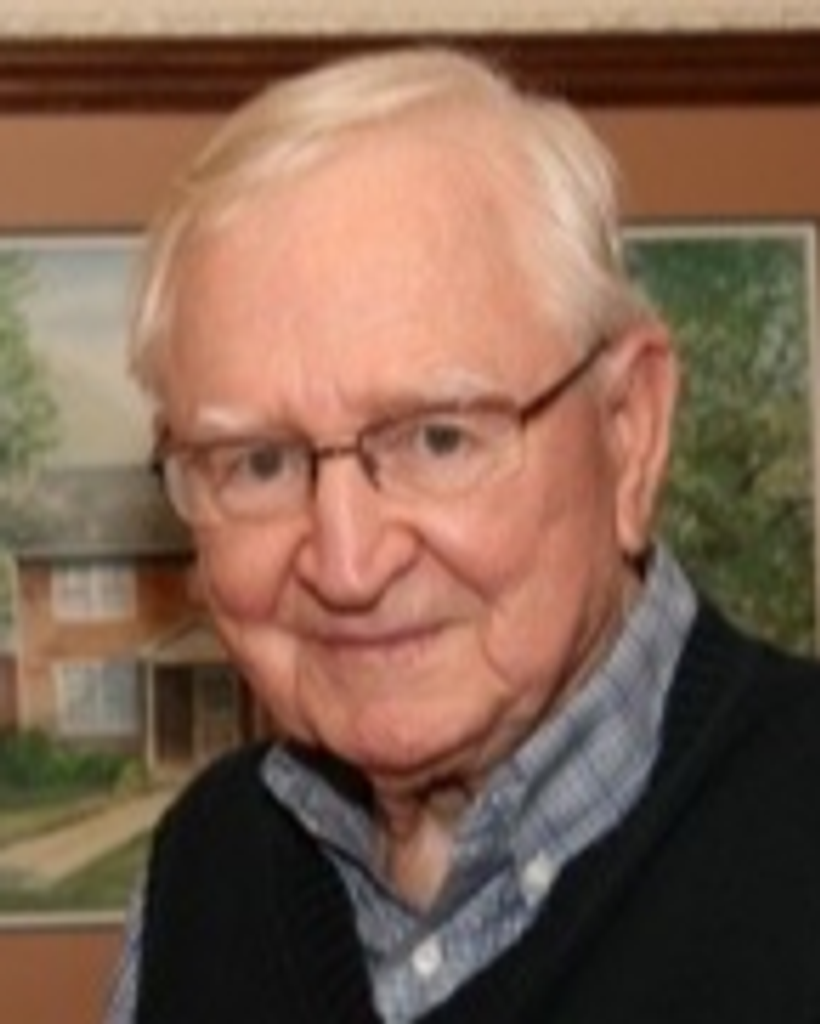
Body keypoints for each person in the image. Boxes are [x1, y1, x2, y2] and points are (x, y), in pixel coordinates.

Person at [106, 45, 820, 1024]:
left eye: (438, 438)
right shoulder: (204, 868)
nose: (349, 565)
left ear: (629, 430)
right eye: (259, 462)